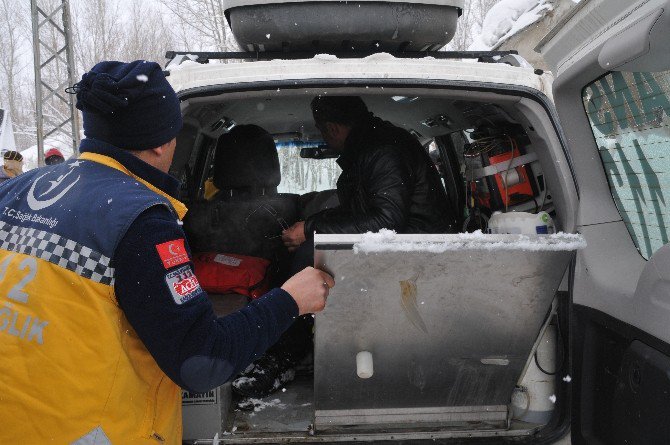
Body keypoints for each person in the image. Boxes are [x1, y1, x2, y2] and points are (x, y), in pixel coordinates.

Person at [0, 60, 334, 445]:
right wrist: (290, 300)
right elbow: (202, 362)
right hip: (85, 432)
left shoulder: (15, 190)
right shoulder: (141, 219)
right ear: (161, 142)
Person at [282, 96, 458, 257]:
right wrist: (312, 224)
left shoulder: (384, 151)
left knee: (308, 255)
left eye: (322, 131)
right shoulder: (368, 149)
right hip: (407, 249)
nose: (324, 137)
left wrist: (310, 230)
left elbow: (387, 221)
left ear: (332, 128)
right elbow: (359, 212)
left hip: (422, 254)